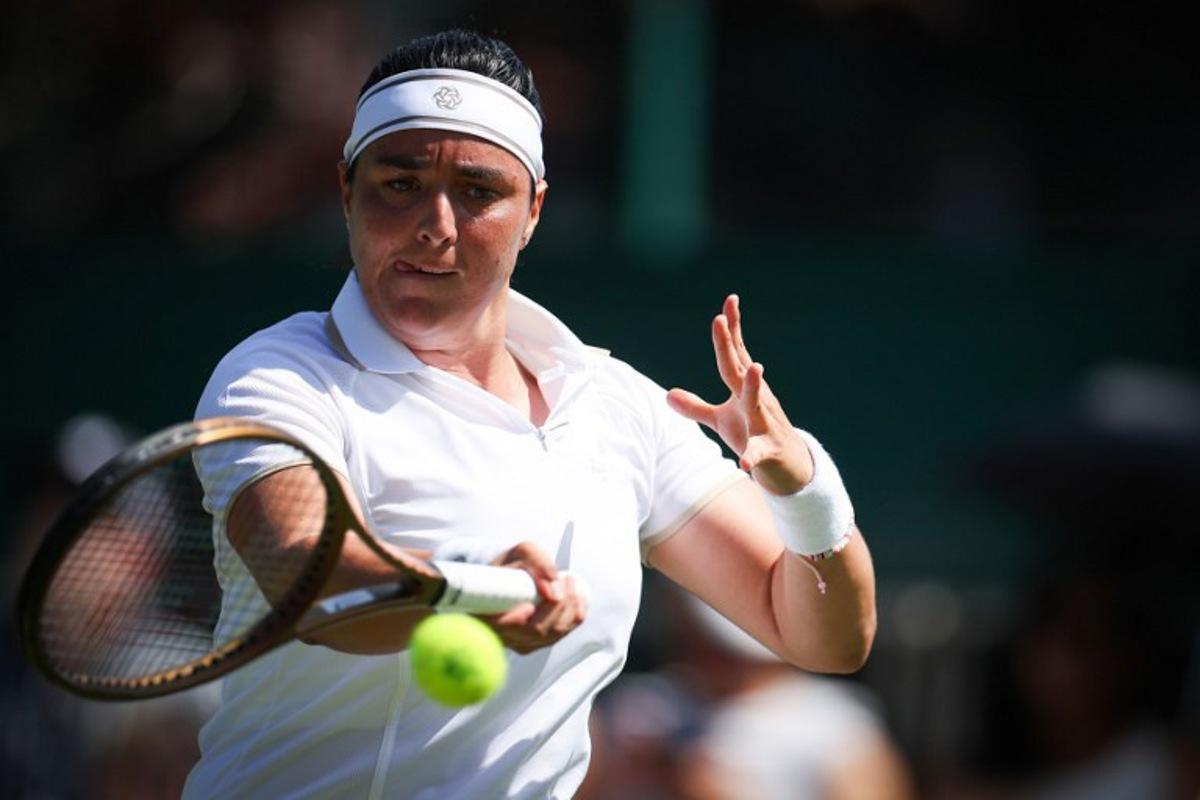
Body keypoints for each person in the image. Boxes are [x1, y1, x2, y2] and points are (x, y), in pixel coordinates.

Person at [184, 29, 877, 799]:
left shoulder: (615, 406)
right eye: (399, 183)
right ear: (347, 189)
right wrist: (471, 591)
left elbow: (828, 638)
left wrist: (804, 493)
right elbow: (301, 568)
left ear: (533, 211)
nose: (436, 226)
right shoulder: (279, 374)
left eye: (479, 192)